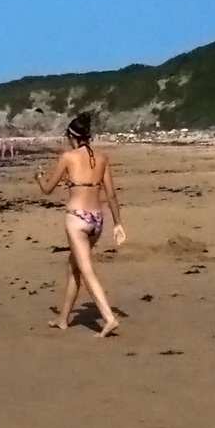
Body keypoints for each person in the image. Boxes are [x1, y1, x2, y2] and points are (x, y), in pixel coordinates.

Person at [34, 112, 126, 338]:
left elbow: (47, 189)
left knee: (86, 270)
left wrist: (38, 177)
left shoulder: (68, 157)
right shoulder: (102, 158)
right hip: (98, 219)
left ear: (72, 137)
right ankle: (63, 319)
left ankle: (108, 318)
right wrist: (118, 224)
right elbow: (111, 195)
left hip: (76, 218)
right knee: (73, 267)